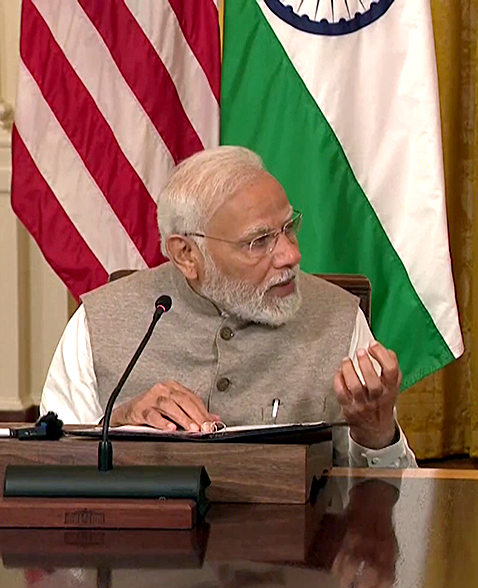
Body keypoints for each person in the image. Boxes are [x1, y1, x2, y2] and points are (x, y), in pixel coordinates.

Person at [40, 146, 416, 468]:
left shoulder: (338, 318)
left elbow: (393, 502)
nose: (291, 255)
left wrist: (377, 432)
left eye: (289, 228)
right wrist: (118, 421)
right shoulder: (98, 322)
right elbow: (48, 468)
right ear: (186, 254)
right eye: (259, 241)